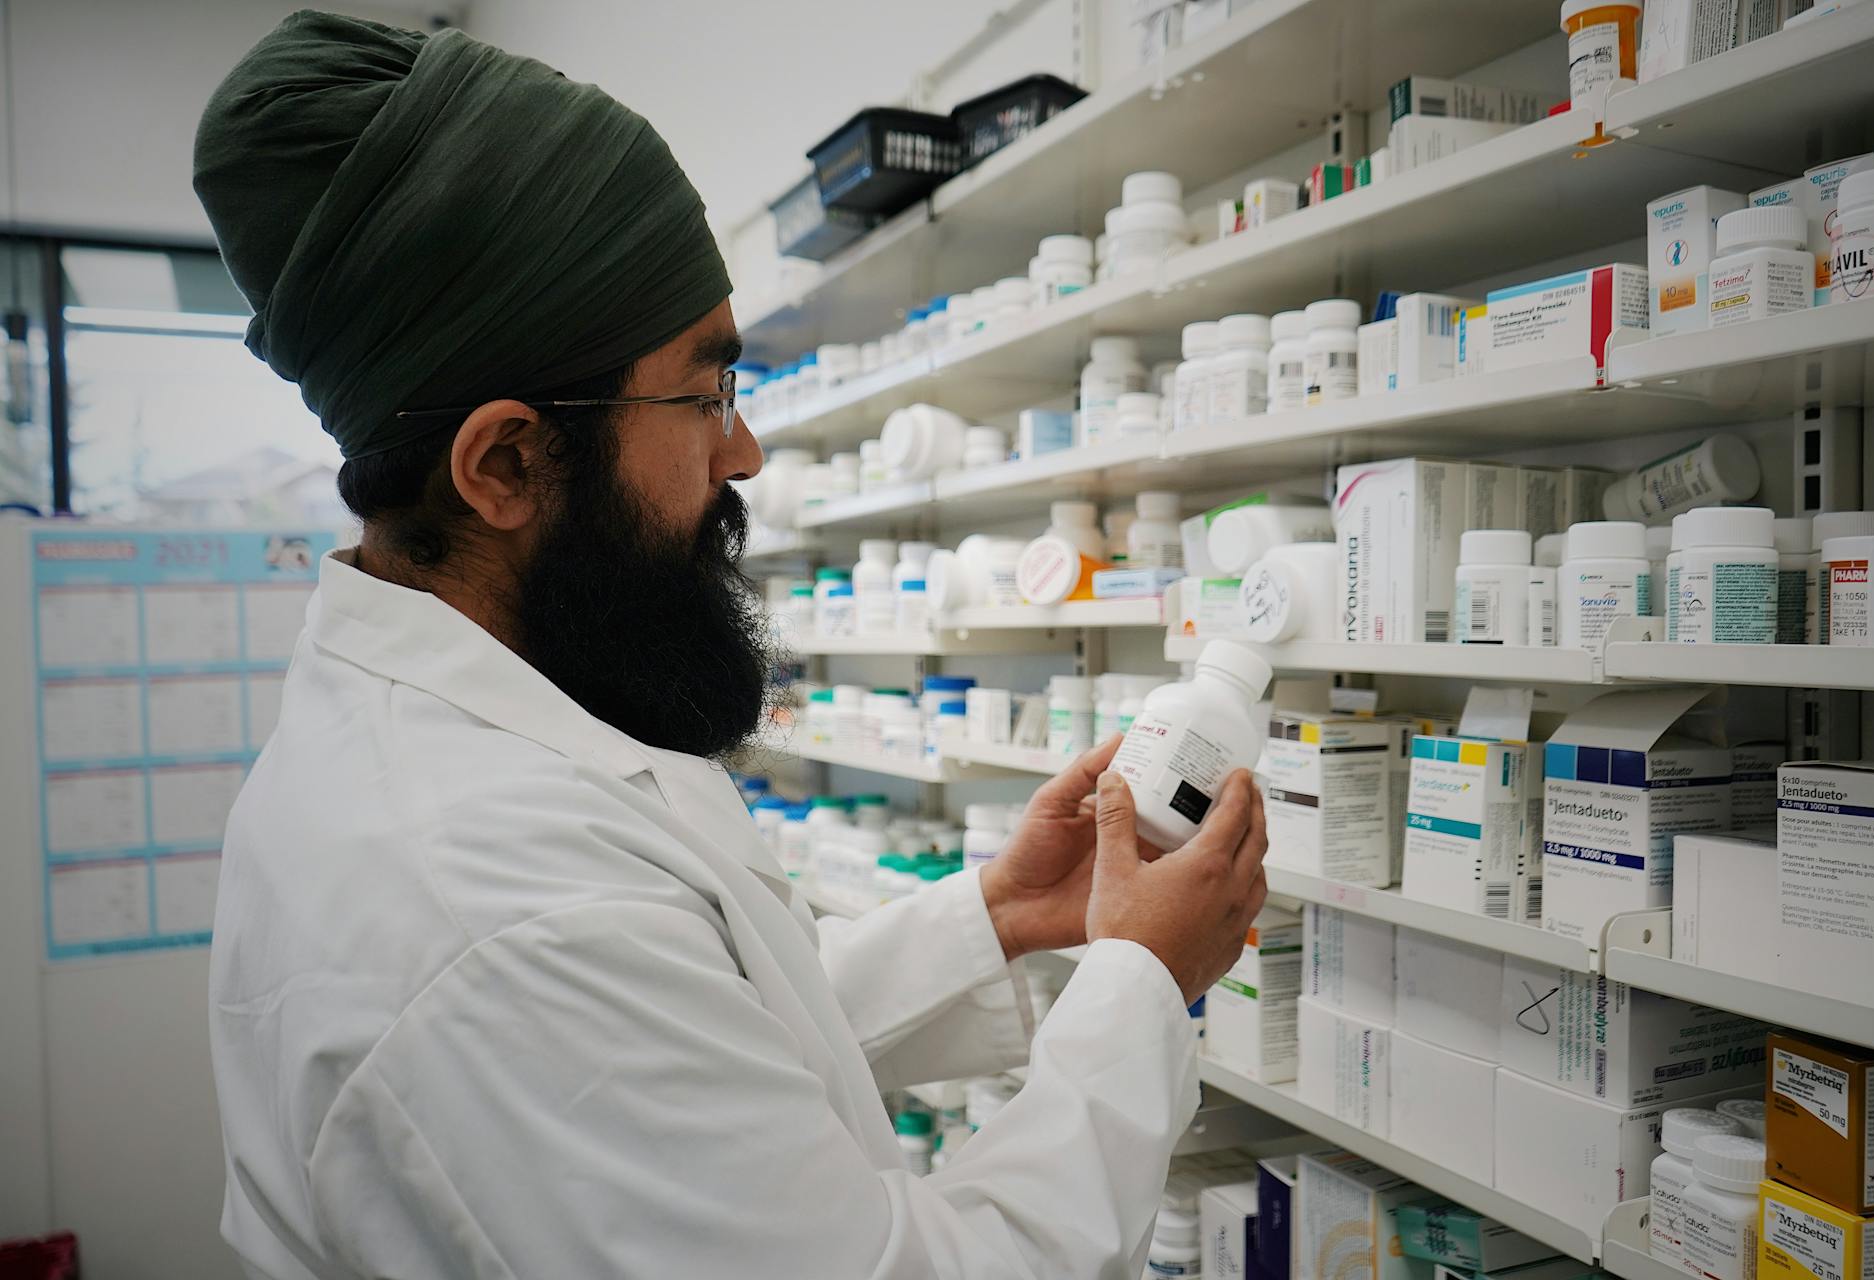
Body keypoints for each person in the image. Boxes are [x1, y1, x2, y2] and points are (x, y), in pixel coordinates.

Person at [195, 13, 1268, 1279]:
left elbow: (699, 1050)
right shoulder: (486, 902)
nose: (742, 449)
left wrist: (1000, 915)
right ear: (505, 461)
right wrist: (1143, 981)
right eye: (705, 392)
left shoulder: (482, 742)